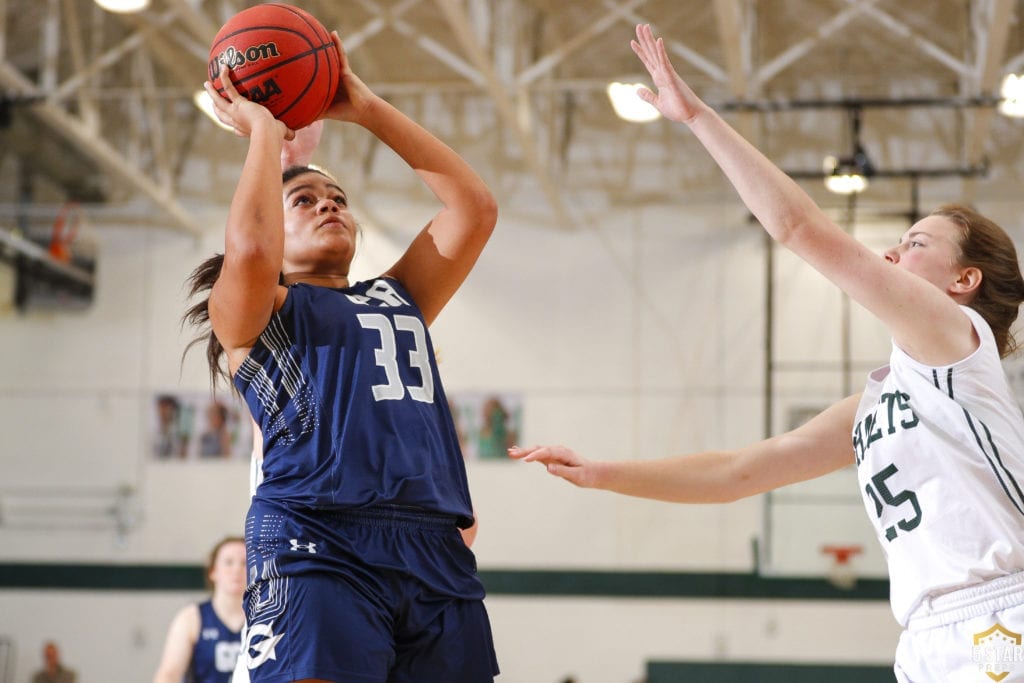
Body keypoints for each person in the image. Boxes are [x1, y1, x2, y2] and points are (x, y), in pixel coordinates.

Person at [511, 24, 1024, 683]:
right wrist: (608, 471)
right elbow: (741, 471)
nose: (894, 252)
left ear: (965, 281)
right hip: (926, 636)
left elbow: (798, 226)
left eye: (917, 242)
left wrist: (696, 116)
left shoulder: (959, 341)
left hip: (997, 619)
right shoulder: (881, 399)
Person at [185, 29, 498, 683]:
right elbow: (248, 252)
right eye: (305, 200)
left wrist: (366, 108)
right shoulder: (253, 314)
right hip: (317, 536)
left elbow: (474, 207)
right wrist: (267, 133)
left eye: (339, 200)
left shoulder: (398, 295)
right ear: (273, 215)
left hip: (430, 546)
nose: (330, 203)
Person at [152, 537, 246, 683]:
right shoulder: (191, 618)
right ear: (213, 572)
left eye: (245, 563)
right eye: (228, 562)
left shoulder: (267, 618)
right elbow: (169, 674)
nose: (237, 569)